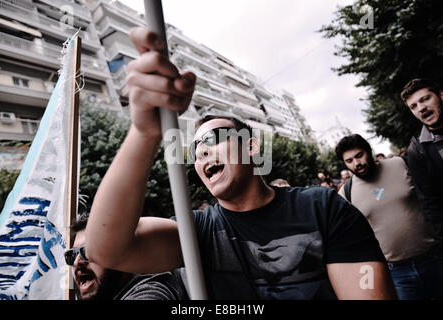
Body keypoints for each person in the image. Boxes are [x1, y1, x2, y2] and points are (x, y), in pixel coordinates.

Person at [85, 26, 397, 300]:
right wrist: (144, 133)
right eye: (195, 150)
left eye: (213, 139)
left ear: (251, 147)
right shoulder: (199, 231)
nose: (203, 153)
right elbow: (107, 249)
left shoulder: (323, 207)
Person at [335, 134, 443, 299]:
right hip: (397, 273)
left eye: (359, 156)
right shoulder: (346, 194)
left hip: (434, 257)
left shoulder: (401, 164)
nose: (356, 164)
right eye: (349, 161)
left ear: (368, 151)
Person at [66, 213, 188, 300]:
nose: (77, 262)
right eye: (72, 255)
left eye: (88, 251)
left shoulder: (148, 289)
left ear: (120, 253)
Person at [401, 78, 443, 239]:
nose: (421, 108)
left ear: (440, 95)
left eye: (425, 99)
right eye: (413, 106)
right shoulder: (417, 151)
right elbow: (431, 204)